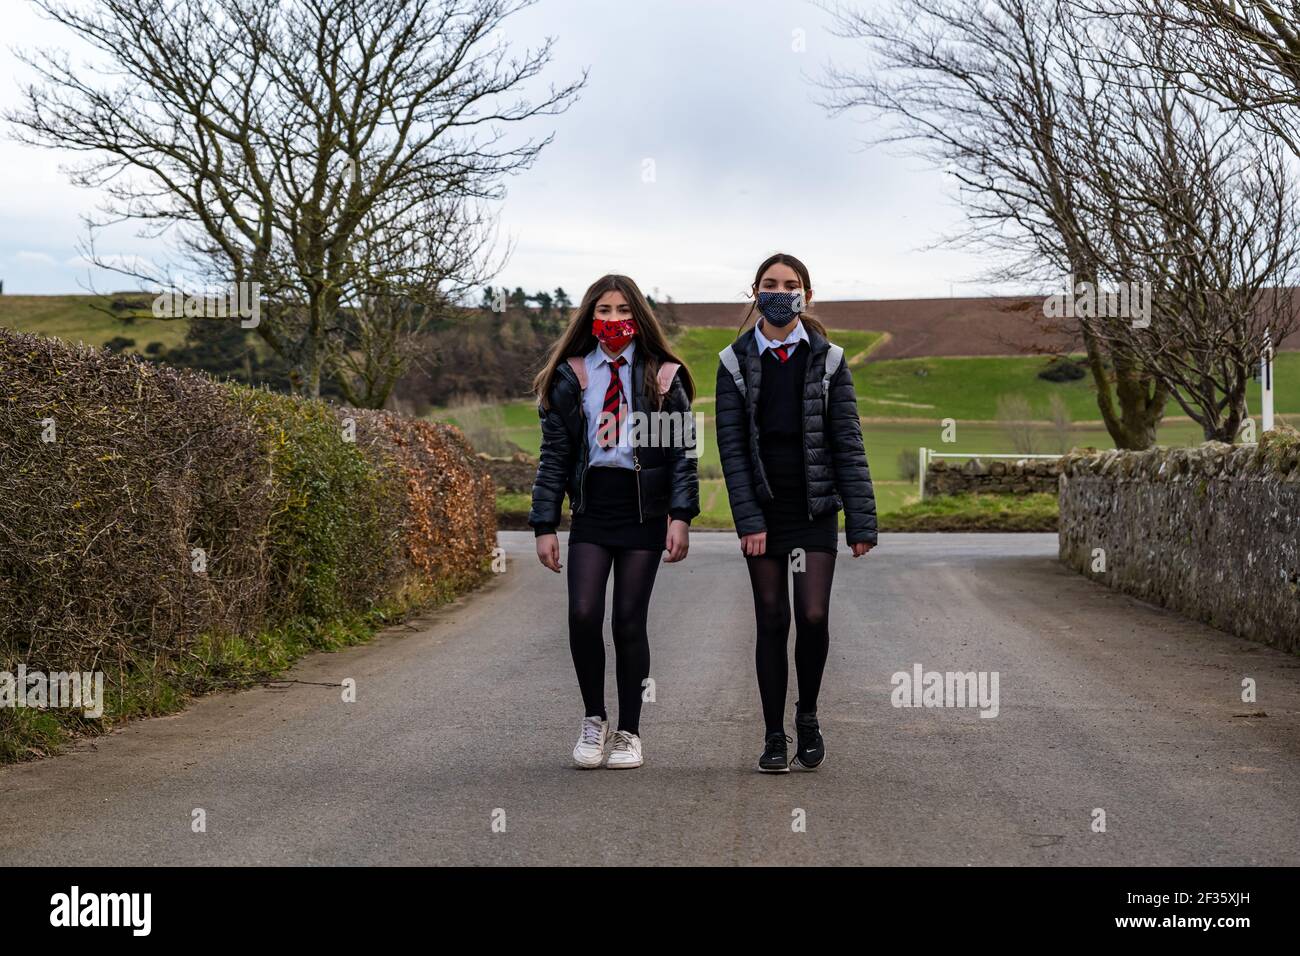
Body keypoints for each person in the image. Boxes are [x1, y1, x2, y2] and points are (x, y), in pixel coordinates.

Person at [715, 252, 877, 772]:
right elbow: (732, 450)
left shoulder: (829, 360)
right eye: (770, 283)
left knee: (811, 614)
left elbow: (847, 442)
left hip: (814, 510)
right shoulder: (733, 362)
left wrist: (860, 519)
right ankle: (773, 735)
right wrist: (749, 520)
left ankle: (807, 714)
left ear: (806, 294)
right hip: (764, 509)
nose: (779, 291)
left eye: (790, 284)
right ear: (755, 292)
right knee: (771, 619)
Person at [529, 274, 699, 769]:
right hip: (593, 507)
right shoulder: (572, 375)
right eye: (603, 311)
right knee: (583, 613)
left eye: (623, 310)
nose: (613, 320)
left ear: (638, 316)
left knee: (628, 621)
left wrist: (681, 516)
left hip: (643, 509)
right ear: (590, 317)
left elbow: (682, 455)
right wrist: (545, 524)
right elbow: (555, 456)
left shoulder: (663, 377)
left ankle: (629, 732)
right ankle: (593, 720)